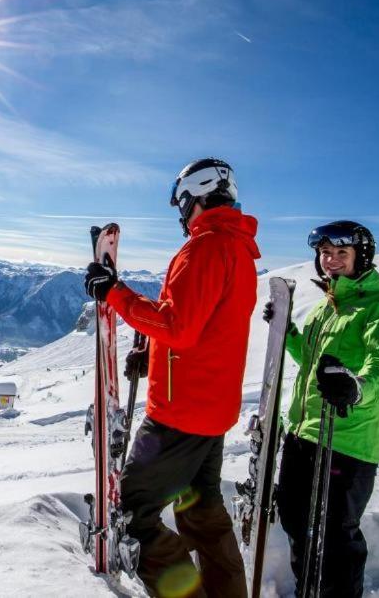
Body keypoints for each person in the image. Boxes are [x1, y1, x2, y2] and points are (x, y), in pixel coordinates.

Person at [84, 158, 259, 598]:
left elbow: (178, 325)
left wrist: (114, 292)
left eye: (182, 202)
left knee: (134, 510)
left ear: (194, 197)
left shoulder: (205, 247)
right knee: (201, 511)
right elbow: (207, 327)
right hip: (211, 408)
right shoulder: (236, 247)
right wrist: (153, 348)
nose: (181, 213)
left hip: (179, 414)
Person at [267, 221, 379, 597]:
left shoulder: (378, 307)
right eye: (325, 253)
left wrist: (356, 388)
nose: (330, 260)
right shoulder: (327, 306)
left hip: (346, 439)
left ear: (361, 256)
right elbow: (312, 362)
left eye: (341, 253)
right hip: (304, 432)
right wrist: (288, 334)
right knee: (296, 522)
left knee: (335, 538)